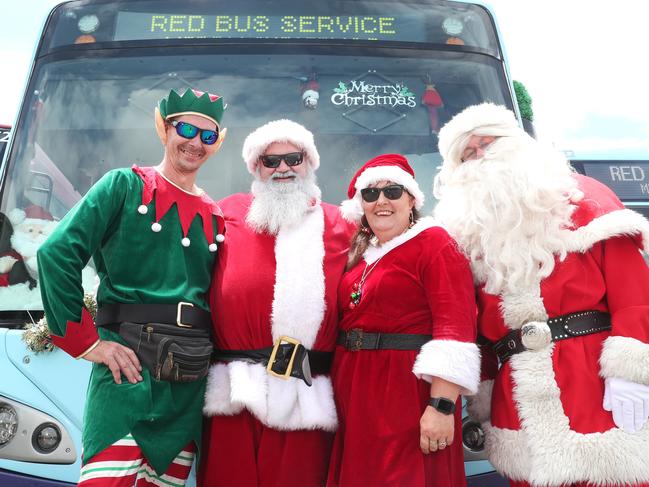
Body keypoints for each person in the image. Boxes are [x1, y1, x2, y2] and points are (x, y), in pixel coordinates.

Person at [433, 102, 649, 487]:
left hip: (592, 377)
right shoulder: (466, 235)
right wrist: (480, 395)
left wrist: (630, 371)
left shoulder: (580, 197)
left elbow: (634, 291)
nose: (481, 157)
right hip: (515, 392)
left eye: (488, 143)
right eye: (469, 153)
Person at [37, 88, 227, 486]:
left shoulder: (216, 216)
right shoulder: (122, 186)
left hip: (186, 383)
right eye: (187, 129)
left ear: (217, 144)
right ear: (164, 128)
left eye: (207, 136)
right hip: (127, 374)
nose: (195, 143)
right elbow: (56, 254)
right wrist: (88, 343)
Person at [200, 119, 354, 487]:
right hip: (235, 394)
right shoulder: (223, 214)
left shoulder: (342, 223)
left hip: (306, 393)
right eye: (270, 161)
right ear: (256, 168)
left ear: (309, 162)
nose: (282, 168)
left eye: (292, 158)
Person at [326, 154, 480, 487]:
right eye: (370, 194)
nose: (381, 201)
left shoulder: (435, 243)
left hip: (405, 391)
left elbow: (455, 327)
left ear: (411, 200)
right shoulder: (360, 255)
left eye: (392, 192)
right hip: (355, 390)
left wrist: (441, 406)